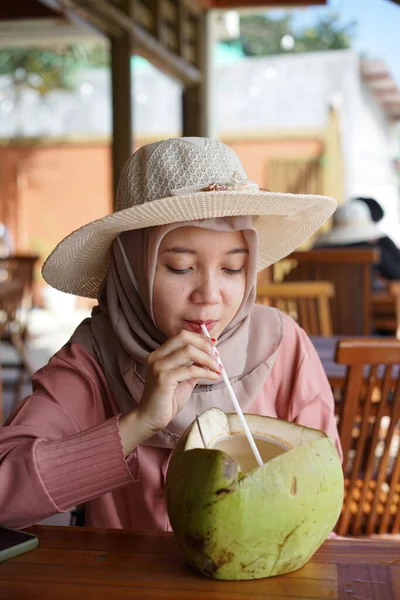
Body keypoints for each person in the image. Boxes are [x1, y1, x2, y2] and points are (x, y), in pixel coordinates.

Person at [0, 137, 341, 530]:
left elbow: (324, 490)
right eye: (180, 267)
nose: (210, 296)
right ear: (132, 269)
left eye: (232, 269)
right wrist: (140, 420)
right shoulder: (93, 357)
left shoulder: (282, 345)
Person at [314, 199, 400, 284]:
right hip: (362, 298)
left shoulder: (316, 250)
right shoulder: (371, 251)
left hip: (321, 297)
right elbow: (396, 274)